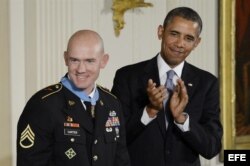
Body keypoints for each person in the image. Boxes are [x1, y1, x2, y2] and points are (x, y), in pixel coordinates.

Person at [111, 7, 222, 166]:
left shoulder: (207, 83)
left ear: (197, 43)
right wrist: (149, 111)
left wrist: (182, 119)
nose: (180, 44)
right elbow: (114, 138)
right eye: (174, 34)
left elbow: (212, 147)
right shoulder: (127, 77)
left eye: (189, 38)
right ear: (160, 32)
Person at [17, 30, 130, 166]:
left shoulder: (112, 103)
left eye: (89, 61)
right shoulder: (43, 105)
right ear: (66, 58)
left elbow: (121, 161)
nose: (81, 69)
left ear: (103, 61)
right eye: (74, 60)